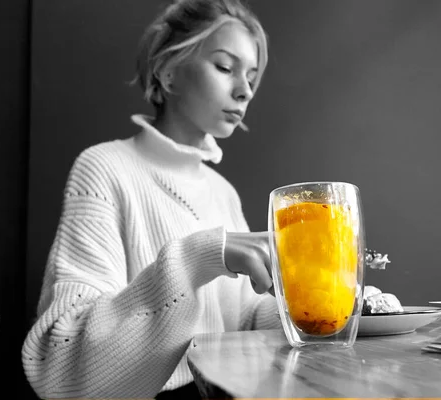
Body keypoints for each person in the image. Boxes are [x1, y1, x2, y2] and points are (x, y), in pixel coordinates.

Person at [21, 0, 280, 398]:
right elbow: (60, 364)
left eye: (252, 76)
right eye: (226, 68)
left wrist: (329, 309)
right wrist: (200, 257)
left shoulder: (221, 192)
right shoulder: (103, 168)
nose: (244, 90)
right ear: (168, 72)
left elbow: (243, 319)